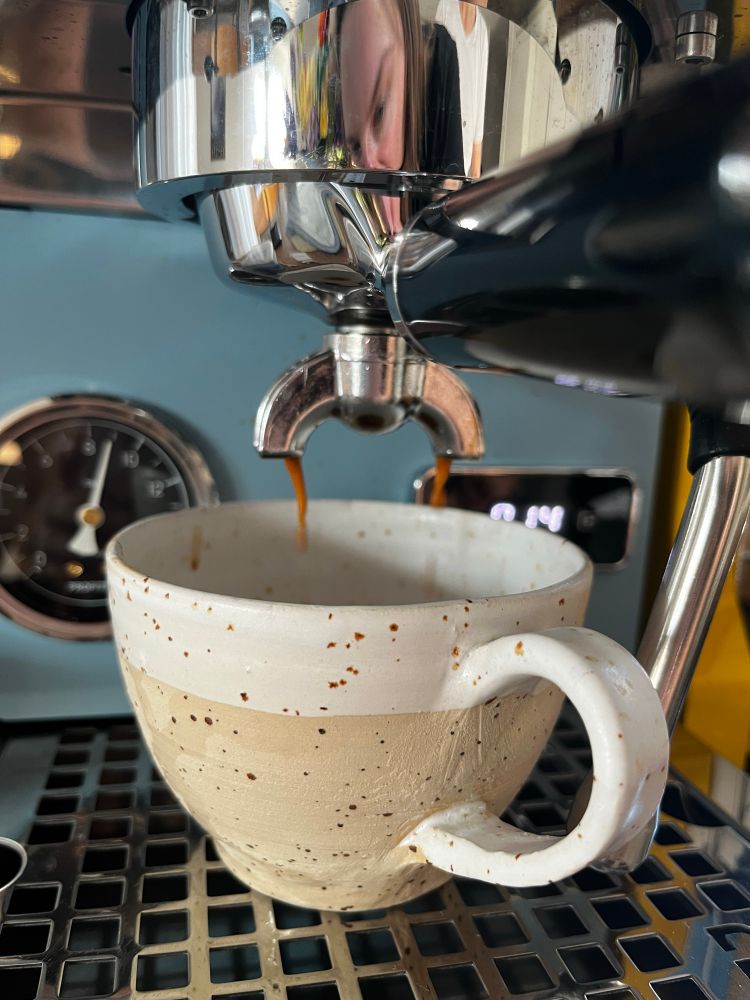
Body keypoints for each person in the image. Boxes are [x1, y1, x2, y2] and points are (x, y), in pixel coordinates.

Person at [436, 0, 489, 177]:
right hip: (441, 154)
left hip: (464, 162)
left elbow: (479, 108)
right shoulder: (445, 8)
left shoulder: (482, 29)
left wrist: (475, 175)